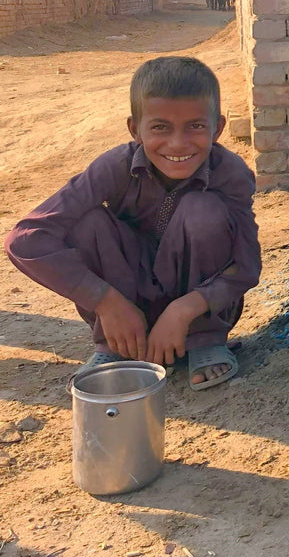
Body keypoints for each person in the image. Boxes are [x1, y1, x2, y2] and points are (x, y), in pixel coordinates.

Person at [5, 56, 261, 390]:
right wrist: (105, 301)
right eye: (160, 127)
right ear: (134, 130)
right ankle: (116, 346)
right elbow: (26, 239)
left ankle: (204, 341)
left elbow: (247, 265)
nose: (178, 144)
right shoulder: (114, 167)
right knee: (87, 222)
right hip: (126, 302)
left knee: (203, 209)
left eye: (196, 126)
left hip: (200, 307)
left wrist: (184, 310)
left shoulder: (231, 174)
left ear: (219, 128)